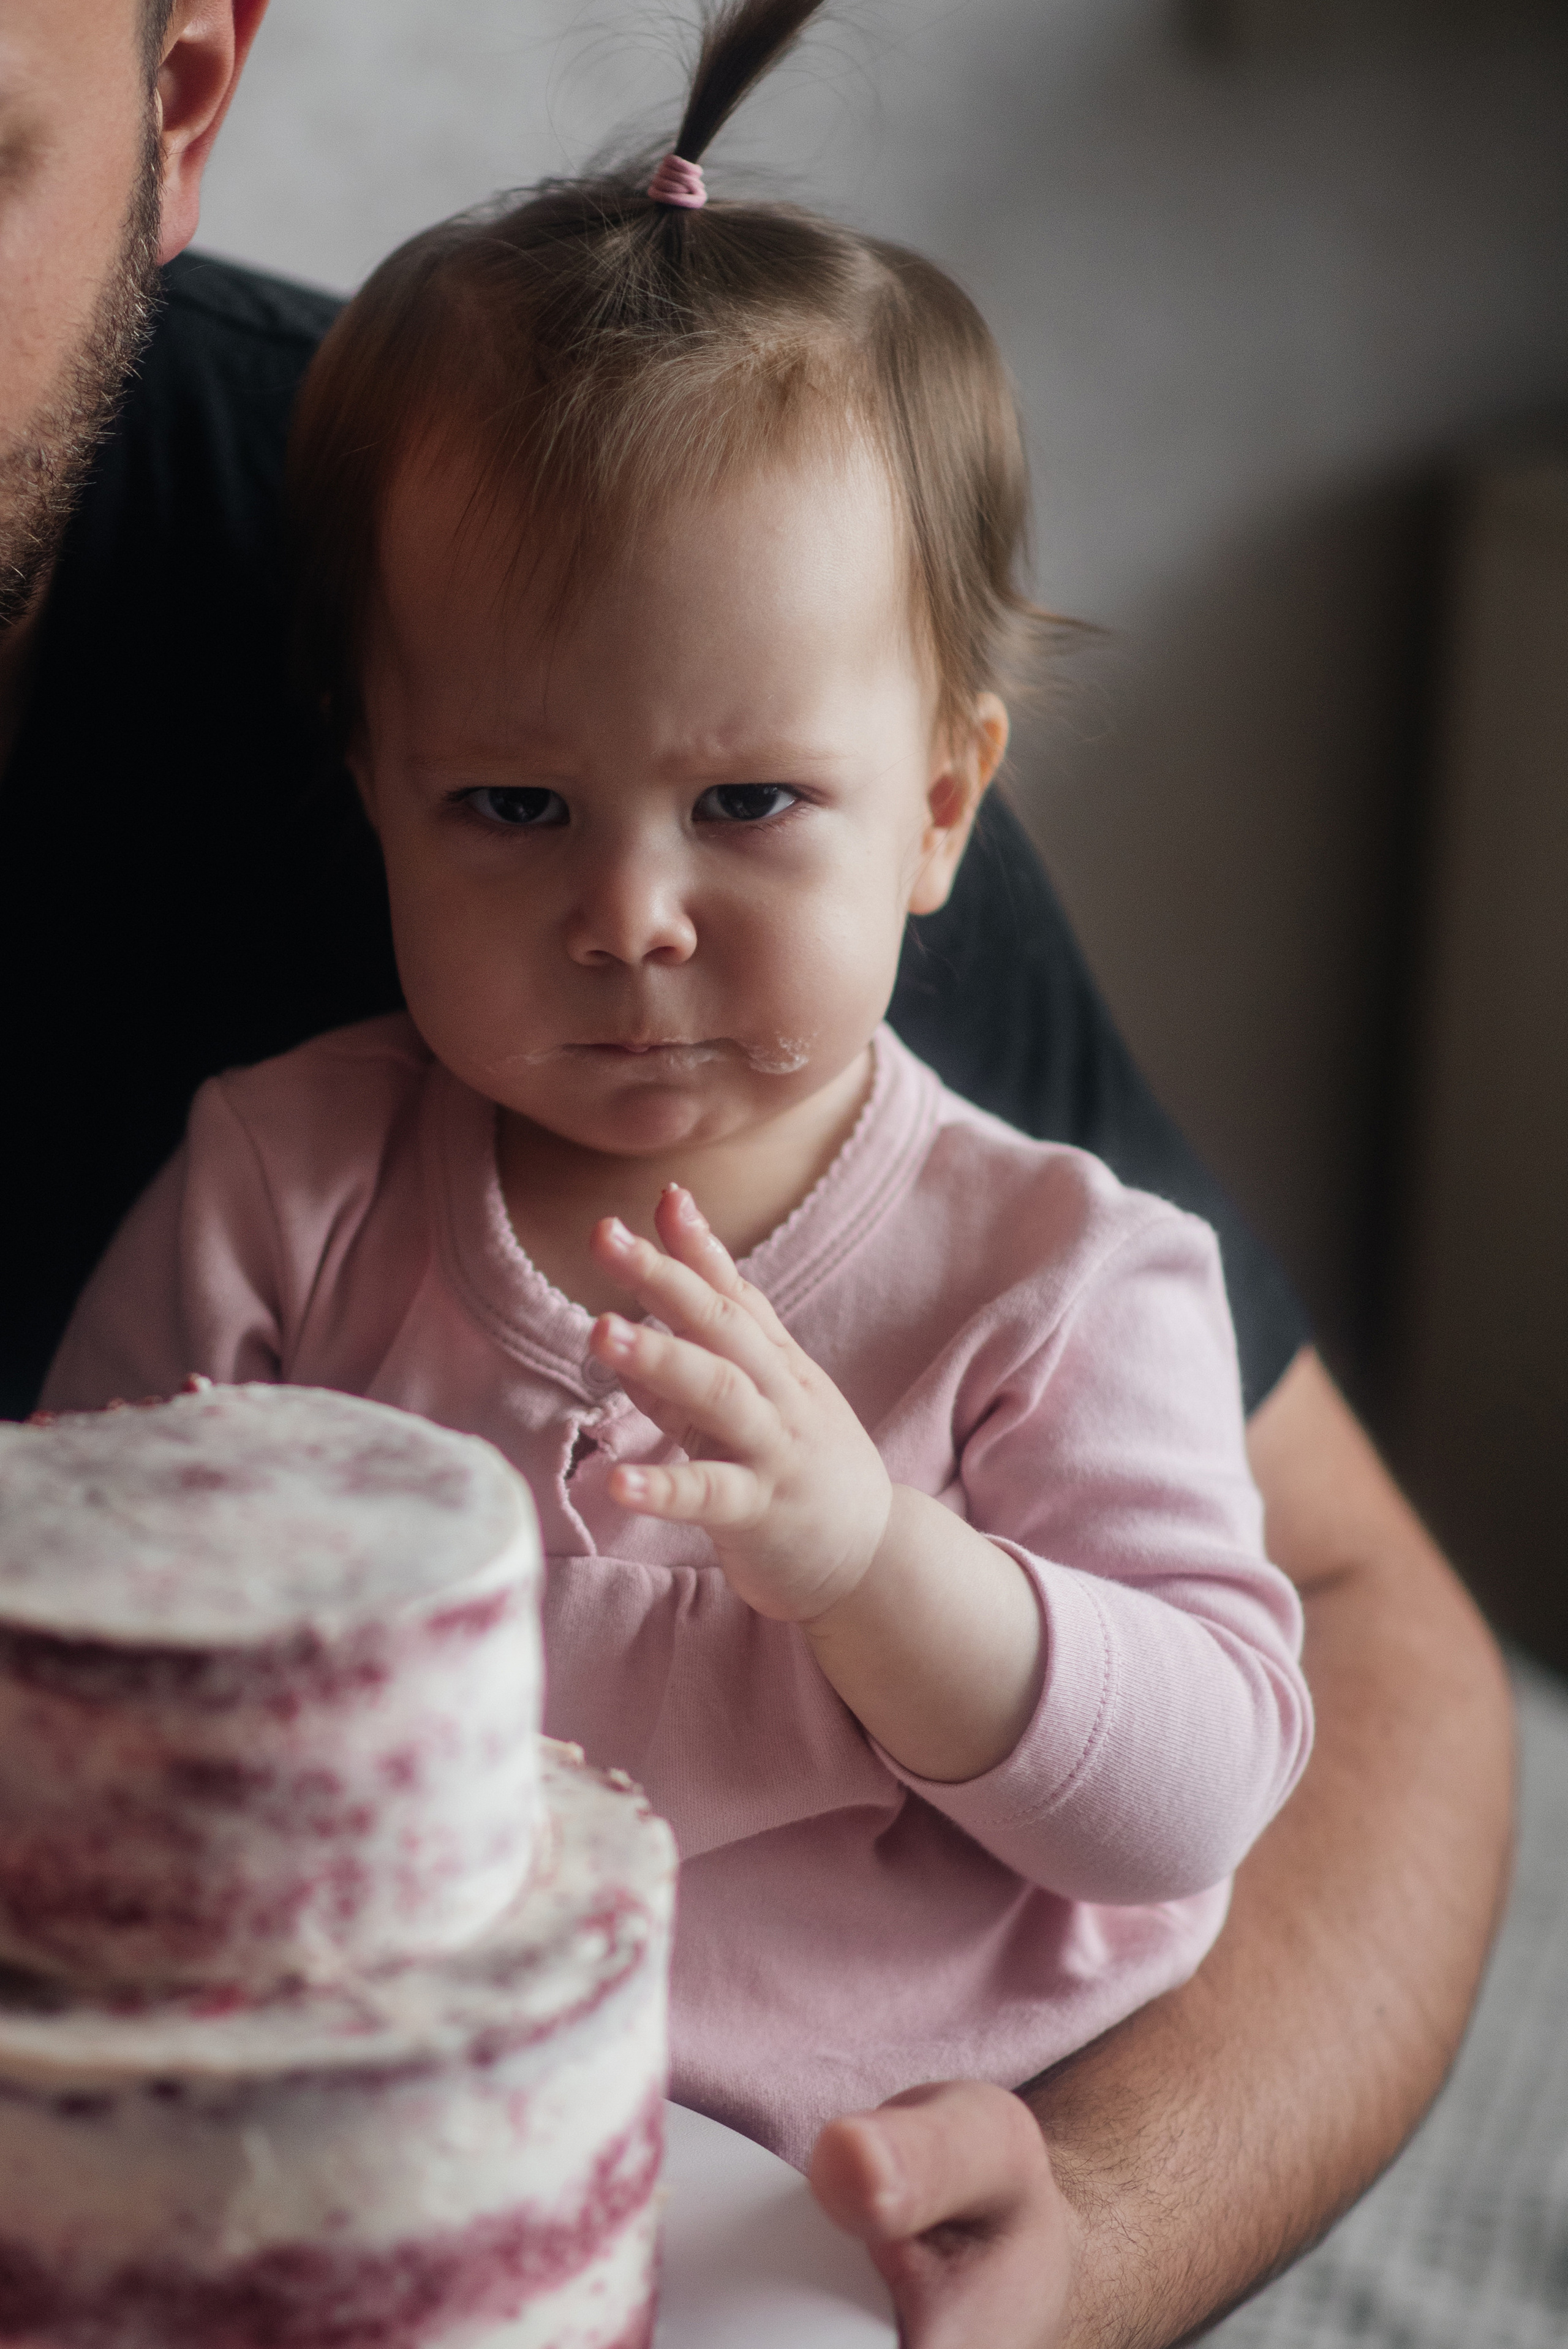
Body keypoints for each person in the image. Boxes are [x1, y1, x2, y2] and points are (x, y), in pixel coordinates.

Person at [0, 1, 1512, 2342]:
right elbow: (62, 1600)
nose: (629, 911)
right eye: (513, 809)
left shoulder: (1046, 1275)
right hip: (330, 2138)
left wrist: (875, 1567)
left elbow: (1211, 1770)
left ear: (940, 808)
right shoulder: (284, 1184)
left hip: (809, 2187)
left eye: (747, 807)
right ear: (373, 788)